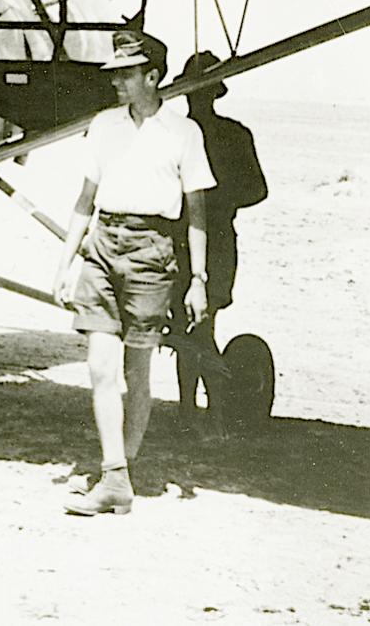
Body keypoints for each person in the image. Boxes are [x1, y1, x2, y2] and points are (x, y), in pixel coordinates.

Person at [52, 30, 216, 515]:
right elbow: (84, 201)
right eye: (116, 74)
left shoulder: (184, 134)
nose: (117, 82)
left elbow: (198, 215)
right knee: (99, 367)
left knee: (135, 371)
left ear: (152, 76)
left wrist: (199, 279)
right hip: (103, 243)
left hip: (152, 251)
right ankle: (115, 476)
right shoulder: (103, 126)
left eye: (126, 74)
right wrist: (64, 264)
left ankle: (120, 470)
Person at [170, 51, 268, 432]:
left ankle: (204, 412)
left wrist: (212, 199)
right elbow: (257, 190)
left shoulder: (228, 134)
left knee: (196, 326)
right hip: (193, 239)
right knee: (190, 326)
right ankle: (198, 412)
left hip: (211, 239)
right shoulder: (199, 134)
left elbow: (258, 189)